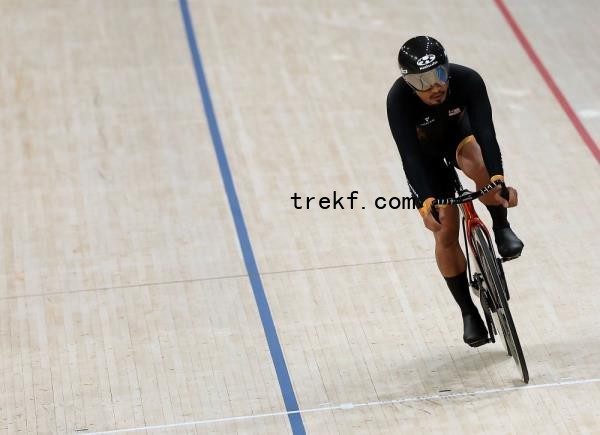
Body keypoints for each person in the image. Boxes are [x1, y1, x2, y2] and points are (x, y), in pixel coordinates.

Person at [386, 36, 524, 347]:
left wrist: (498, 179)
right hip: (425, 156)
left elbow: (486, 130)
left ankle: (501, 228)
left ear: (448, 69)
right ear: (408, 83)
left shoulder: (468, 80)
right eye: (422, 81)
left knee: (478, 163)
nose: (434, 86)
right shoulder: (397, 101)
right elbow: (409, 155)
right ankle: (468, 312)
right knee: (445, 230)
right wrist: (425, 202)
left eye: (439, 74)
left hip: (460, 138)